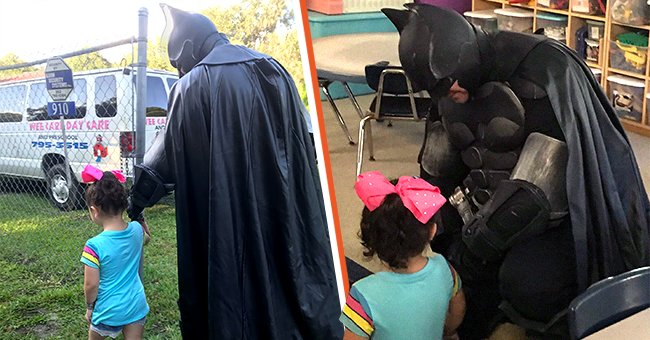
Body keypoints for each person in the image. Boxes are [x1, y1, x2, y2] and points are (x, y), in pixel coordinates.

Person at [383, 3, 650, 338]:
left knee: (527, 283)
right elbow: (437, 167)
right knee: (440, 244)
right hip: (481, 203)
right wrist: (423, 217)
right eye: (437, 89)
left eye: (447, 84)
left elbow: (541, 187)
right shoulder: (445, 86)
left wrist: (475, 246)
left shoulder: (543, 70)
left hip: (554, 218)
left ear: (461, 53)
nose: (446, 94)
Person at [126, 5, 341, 339]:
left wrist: (135, 206)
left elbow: (159, 163)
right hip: (284, 218)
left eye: (180, 64)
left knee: (234, 304)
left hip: (225, 229)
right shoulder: (277, 71)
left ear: (190, 48)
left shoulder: (190, 88)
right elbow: (307, 139)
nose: (181, 72)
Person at [340, 171, 466, 340]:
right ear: (432, 231)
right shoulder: (445, 270)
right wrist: (448, 331)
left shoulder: (362, 295)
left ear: (371, 238)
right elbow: (458, 308)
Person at [79, 165, 149, 340]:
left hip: (108, 311)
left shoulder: (93, 246)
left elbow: (91, 285)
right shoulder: (136, 231)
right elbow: (147, 238)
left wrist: (89, 307)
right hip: (136, 305)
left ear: (94, 211)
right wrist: (139, 218)